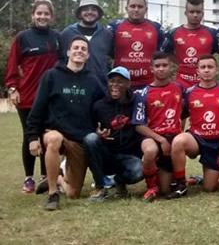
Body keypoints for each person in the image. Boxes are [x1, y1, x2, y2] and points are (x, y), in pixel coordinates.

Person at [25, 36, 106, 210]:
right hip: (55, 133)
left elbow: (102, 107)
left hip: (79, 138)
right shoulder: (51, 76)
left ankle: (57, 178)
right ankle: (53, 194)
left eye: (83, 49)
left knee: (72, 193)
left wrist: (102, 126)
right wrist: (32, 137)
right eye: (75, 47)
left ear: (88, 56)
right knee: (54, 139)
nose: (79, 51)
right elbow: (37, 108)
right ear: (68, 52)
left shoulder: (93, 80)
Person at [5, 0, 61, 193]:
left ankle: (47, 176)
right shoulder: (23, 38)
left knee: (48, 137)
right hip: (28, 97)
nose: (42, 16)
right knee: (29, 136)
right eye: (39, 13)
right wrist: (12, 88)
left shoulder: (57, 37)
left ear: (51, 16)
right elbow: (12, 65)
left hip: (51, 98)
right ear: (33, 15)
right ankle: (29, 178)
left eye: (46, 13)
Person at [168, 55, 219, 199]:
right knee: (179, 141)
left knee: (210, 188)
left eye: (210, 67)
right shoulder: (189, 93)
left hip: (215, 142)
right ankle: (181, 184)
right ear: (198, 71)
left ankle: (202, 179)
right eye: (203, 67)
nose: (206, 70)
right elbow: (180, 118)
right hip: (196, 138)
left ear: (216, 70)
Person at [133, 52, 186, 202]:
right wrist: (161, 140)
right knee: (150, 151)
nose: (161, 69)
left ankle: (176, 178)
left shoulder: (179, 88)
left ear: (171, 67)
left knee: (166, 189)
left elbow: (187, 110)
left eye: (164, 65)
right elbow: (138, 125)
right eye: (157, 66)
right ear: (152, 69)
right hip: (152, 136)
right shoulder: (143, 93)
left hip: (174, 138)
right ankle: (151, 187)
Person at [84, 67, 143, 202]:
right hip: (107, 154)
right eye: (112, 81)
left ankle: (119, 181)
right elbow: (89, 127)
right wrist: (97, 132)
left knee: (139, 171)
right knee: (90, 139)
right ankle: (100, 187)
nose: (115, 85)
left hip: (129, 155)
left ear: (128, 84)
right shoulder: (99, 105)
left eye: (120, 82)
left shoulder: (137, 103)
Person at [161, 0, 219, 88]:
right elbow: (165, 53)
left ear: (203, 13)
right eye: (192, 12)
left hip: (205, 84)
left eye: (198, 12)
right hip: (182, 83)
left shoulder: (212, 33)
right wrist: (179, 63)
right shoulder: (174, 33)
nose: (195, 15)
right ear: (186, 13)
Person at [109, 0, 164, 90]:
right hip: (122, 84)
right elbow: (108, 51)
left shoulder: (156, 28)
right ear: (126, 8)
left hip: (149, 84)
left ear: (146, 10)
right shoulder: (115, 27)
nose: (136, 9)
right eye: (132, 6)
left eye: (140, 6)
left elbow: (162, 53)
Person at [61, 0, 113, 81]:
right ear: (80, 13)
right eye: (85, 9)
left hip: (100, 86)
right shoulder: (67, 33)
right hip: (73, 84)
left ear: (98, 13)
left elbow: (112, 58)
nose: (90, 12)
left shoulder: (107, 34)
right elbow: (61, 59)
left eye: (93, 9)